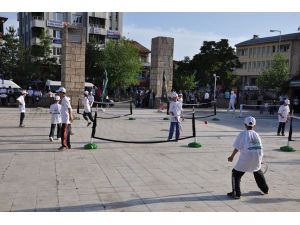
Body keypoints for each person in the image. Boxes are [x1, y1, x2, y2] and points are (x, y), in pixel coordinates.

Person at [227, 116, 269, 199]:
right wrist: (259, 159)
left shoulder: (243, 134)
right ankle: (265, 189)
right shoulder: (256, 134)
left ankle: (236, 193)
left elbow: (237, 147)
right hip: (257, 155)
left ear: (244, 125)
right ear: (254, 125)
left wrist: (231, 157)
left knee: (236, 173)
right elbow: (259, 147)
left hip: (247, 157)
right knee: (257, 170)